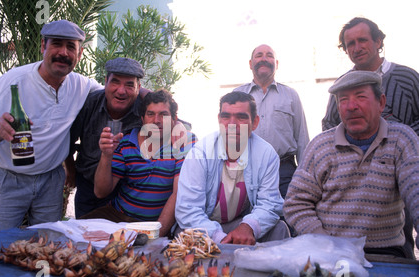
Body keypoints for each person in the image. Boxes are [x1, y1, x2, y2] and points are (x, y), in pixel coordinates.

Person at [0, 20, 103, 234]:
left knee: (46, 246)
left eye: (71, 47)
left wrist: (152, 100)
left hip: (51, 181)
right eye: (56, 44)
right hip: (8, 181)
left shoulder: (81, 85)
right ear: (43, 46)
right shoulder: (12, 82)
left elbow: (114, 94)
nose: (63, 52)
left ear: (80, 53)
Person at [284, 71, 419, 259]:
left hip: (385, 252)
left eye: (361, 97)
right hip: (328, 250)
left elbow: (416, 190)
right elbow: (295, 203)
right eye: (343, 100)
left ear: (381, 102)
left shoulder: (401, 140)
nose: (351, 107)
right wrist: (325, 243)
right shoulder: (320, 146)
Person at [321, 16, 419, 258]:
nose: (357, 48)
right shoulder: (342, 85)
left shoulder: (407, 79)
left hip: (400, 182)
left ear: (378, 41)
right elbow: (329, 127)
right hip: (353, 184)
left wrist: (401, 154)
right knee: (350, 255)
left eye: (362, 40)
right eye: (350, 43)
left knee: (398, 247)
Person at [175, 91, 289, 245]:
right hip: (203, 227)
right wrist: (219, 237)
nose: (232, 124)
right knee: (183, 235)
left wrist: (248, 226)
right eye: (226, 116)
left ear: (255, 122)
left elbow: (270, 204)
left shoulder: (266, 154)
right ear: (219, 120)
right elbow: (187, 210)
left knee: (280, 229)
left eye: (241, 117)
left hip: (238, 226)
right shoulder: (200, 152)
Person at [81, 89, 196, 237]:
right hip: (118, 216)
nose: (156, 120)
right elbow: (101, 192)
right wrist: (106, 155)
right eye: (150, 114)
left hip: (157, 224)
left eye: (163, 114)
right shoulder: (126, 142)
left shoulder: (185, 142)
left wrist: (155, 235)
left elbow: (178, 193)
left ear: (174, 119)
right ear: (142, 119)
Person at [65, 57, 149, 218]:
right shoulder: (90, 103)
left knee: (124, 241)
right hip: (88, 188)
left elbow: (174, 125)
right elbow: (68, 141)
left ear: (139, 87)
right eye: (115, 82)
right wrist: (71, 171)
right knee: (87, 238)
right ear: (105, 82)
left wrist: (151, 95)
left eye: (130, 85)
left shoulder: (145, 110)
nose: (121, 90)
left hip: (126, 192)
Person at [234, 44, 310, 198]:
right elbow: (228, 137)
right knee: (245, 219)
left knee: (287, 217)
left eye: (269, 55)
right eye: (259, 55)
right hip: (245, 171)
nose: (264, 59)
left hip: (283, 172)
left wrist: (306, 178)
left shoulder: (291, 96)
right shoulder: (237, 95)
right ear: (250, 64)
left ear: (277, 64)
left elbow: (302, 139)